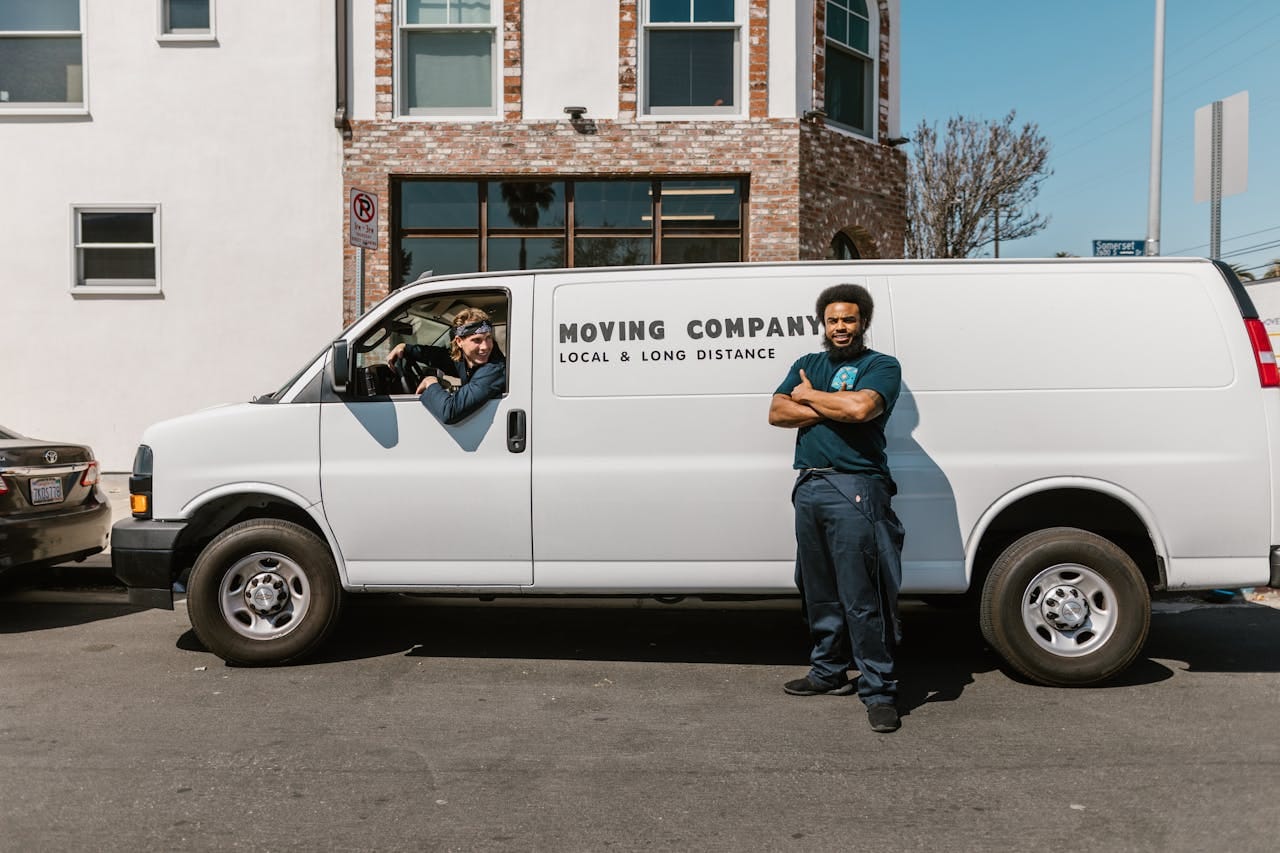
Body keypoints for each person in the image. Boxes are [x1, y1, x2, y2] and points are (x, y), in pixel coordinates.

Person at [768, 283, 906, 733]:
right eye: (832, 320)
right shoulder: (808, 364)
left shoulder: (881, 366)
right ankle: (828, 672)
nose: (840, 327)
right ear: (823, 323)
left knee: (863, 596)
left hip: (857, 488)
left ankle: (879, 690)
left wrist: (807, 397)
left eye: (848, 319)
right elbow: (775, 412)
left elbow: (862, 409)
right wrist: (829, 405)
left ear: (863, 321)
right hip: (810, 485)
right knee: (816, 588)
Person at [386, 307, 506, 425]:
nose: (485, 346)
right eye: (477, 340)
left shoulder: (494, 369)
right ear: (459, 341)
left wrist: (431, 383)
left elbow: (450, 412)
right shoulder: (468, 360)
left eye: (488, 338)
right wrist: (405, 348)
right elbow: (439, 357)